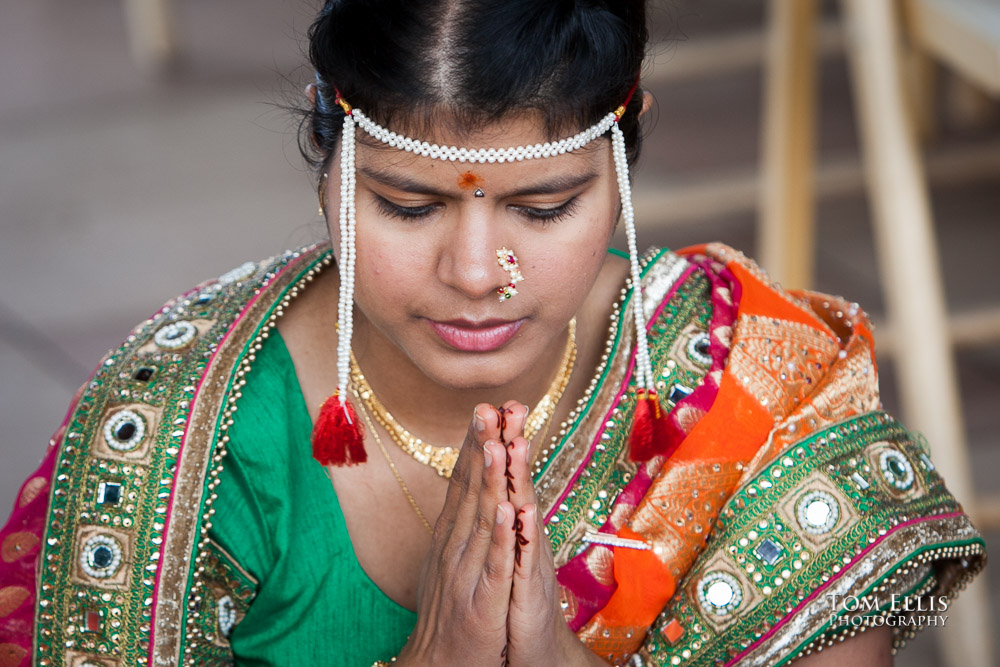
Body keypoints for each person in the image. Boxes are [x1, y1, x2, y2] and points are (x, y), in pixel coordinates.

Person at [0, 1, 985, 665]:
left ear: (624, 148)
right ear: (326, 148)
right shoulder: (182, 436)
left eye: (544, 207)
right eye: (409, 205)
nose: (476, 273)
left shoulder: (751, 381)